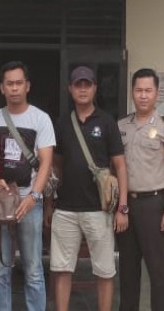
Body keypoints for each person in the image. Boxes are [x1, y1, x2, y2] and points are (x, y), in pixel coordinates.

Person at [50, 65, 128, 311]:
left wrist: (122, 208)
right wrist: (50, 205)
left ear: (95, 88)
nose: (82, 89)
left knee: (105, 270)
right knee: (62, 269)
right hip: (65, 209)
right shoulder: (62, 123)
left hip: (99, 209)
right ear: (70, 89)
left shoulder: (107, 122)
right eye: (78, 85)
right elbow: (55, 166)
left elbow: (120, 166)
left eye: (87, 85)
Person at [0, 60, 55, 311]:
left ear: (28, 86)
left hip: (29, 199)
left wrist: (34, 196)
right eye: (9, 84)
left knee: (33, 269)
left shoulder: (40, 119)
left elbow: (46, 162)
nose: (14, 88)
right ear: (2, 87)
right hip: (0, 200)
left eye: (19, 83)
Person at [117, 68, 164, 311]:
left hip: (154, 205)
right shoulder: (121, 126)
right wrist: (120, 206)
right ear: (132, 92)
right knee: (127, 271)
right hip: (126, 205)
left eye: (148, 90)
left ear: (157, 93)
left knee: (158, 272)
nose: (143, 95)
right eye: (139, 90)